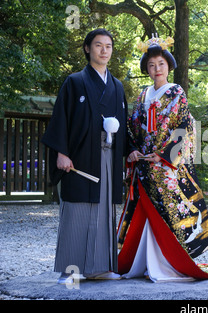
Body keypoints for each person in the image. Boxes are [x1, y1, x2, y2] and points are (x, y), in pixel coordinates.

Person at [118, 35, 208, 281]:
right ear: (146, 69)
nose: (156, 69)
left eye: (161, 63)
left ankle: (166, 264)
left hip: (165, 166)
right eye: (151, 65)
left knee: (169, 213)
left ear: (168, 65)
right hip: (143, 165)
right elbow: (131, 128)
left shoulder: (176, 92)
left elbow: (183, 127)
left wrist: (163, 155)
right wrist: (133, 150)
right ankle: (142, 263)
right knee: (144, 214)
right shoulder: (141, 97)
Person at [42, 28, 128, 283]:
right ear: (88, 48)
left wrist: (128, 152)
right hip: (78, 156)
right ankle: (70, 270)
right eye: (99, 45)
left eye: (109, 46)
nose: (104, 50)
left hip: (108, 155)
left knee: (104, 210)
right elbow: (61, 121)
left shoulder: (117, 86)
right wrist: (62, 153)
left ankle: (100, 268)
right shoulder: (75, 82)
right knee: (77, 208)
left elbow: (125, 126)